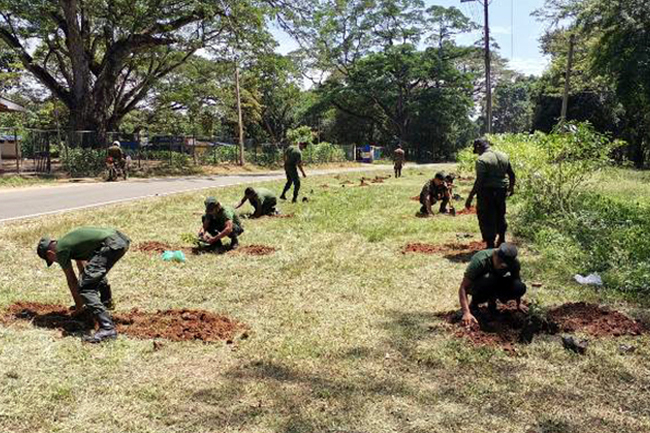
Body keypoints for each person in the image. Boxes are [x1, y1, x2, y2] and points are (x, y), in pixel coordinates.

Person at [36, 227, 131, 343]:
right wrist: (81, 303)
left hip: (111, 244)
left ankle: (107, 328)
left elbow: (71, 279)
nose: (55, 261)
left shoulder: (60, 250)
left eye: (51, 260)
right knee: (92, 275)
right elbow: (84, 268)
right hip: (119, 239)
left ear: (50, 253)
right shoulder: (69, 242)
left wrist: (79, 307)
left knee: (86, 288)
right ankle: (106, 303)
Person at [458, 243, 527, 327]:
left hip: (496, 282)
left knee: (519, 287)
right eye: (500, 261)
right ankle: (474, 304)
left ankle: (493, 303)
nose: (502, 266)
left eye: (506, 264)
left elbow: (516, 281)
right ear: (495, 254)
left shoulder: (514, 263)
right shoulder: (480, 260)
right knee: (489, 278)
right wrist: (466, 312)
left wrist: (518, 304)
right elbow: (463, 287)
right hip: (478, 285)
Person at [465, 138, 516, 248]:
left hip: (487, 192)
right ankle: (501, 238)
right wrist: (511, 188)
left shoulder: (482, 160)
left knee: (486, 216)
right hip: (501, 191)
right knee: (500, 214)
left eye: (476, 150)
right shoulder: (503, 156)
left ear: (479, 147)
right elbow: (511, 174)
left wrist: (470, 197)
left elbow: (480, 181)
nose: (477, 152)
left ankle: (490, 244)